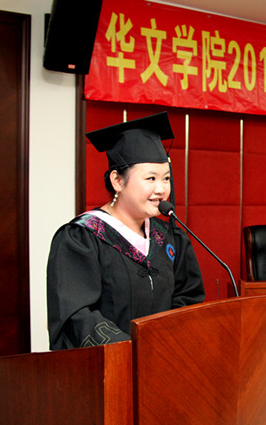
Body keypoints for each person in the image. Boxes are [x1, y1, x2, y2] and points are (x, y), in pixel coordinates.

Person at [47, 112, 205, 350]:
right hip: (109, 365)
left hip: (164, 361)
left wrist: (166, 345)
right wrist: (131, 350)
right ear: (117, 181)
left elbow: (188, 297)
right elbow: (76, 315)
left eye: (166, 179)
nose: (161, 189)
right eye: (150, 178)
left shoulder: (170, 237)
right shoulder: (82, 238)